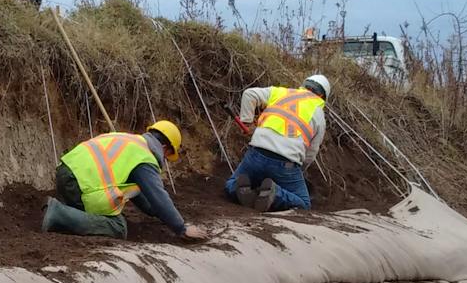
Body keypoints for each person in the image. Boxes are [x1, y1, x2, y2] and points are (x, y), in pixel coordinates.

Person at [42, 119, 208, 240]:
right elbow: (158, 195)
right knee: (118, 226)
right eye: (168, 155)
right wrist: (181, 228)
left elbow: (142, 196)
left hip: (65, 173)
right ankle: (59, 214)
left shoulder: (128, 140)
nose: (165, 160)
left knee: (106, 206)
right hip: (81, 186)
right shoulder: (145, 158)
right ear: (165, 148)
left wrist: (159, 213)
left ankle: (69, 211)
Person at [226, 74, 330, 213]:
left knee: (232, 182)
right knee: (304, 203)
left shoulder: (281, 92)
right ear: (322, 95)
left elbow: (249, 94)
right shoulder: (319, 115)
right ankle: (275, 194)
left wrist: (247, 122)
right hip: (285, 165)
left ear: (304, 85)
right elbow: (311, 153)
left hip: (256, 155)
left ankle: (240, 190)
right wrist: (299, 170)